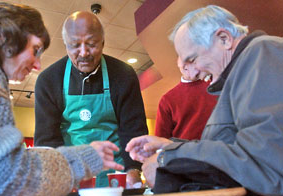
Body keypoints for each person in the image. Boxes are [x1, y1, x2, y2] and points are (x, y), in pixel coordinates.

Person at [0, 2, 124, 196]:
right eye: (36, 50)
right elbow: (3, 180)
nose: (38, 64)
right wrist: (87, 157)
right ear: (7, 37)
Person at [126, 5, 283, 195]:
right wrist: (170, 146)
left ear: (224, 39)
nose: (194, 71)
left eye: (192, 59)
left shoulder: (263, 53)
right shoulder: (239, 75)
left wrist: (167, 157)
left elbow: (267, 165)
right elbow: (231, 149)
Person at [34, 11, 148, 187]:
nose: (84, 52)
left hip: (116, 176)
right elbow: (47, 141)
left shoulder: (123, 75)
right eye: (74, 45)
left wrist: (133, 170)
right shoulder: (49, 80)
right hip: (71, 176)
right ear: (65, 45)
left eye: (91, 44)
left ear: (103, 42)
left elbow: (133, 130)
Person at [155, 57, 217, 140]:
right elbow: (161, 139)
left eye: (192, 60)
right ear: (178, 63)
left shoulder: (217, 86)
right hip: (184, 151)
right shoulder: (167, 100)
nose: (186, 64)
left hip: (220, 149)